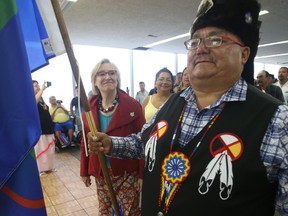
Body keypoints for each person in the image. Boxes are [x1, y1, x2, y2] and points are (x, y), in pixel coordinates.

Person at [87, 0, 288, 215]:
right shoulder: (175, 101)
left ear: (244, 54)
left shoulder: (276, 119)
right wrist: (111, 144)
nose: (200, 48)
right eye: (194, 42)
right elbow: (144, 143)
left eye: (215, 39)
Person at [80, 58, 145, 215]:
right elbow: (84, 141)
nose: (107, 77)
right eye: (101, 74)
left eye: (112, 73)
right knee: (106, 211)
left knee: (129, 211)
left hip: (127, 173)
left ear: (117, 79)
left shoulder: (132, 105)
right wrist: (84, 170)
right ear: (95, 81)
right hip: (102, 172)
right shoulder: (88, 108)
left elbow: (144, 141)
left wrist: (142, 175)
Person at [33, 80, 56, 176]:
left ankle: (49, 167)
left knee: (50, 149)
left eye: (38, 85)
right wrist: (42, 89)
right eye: (35, 86)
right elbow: (34, 101)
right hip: (40, 128)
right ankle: (40, 170)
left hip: (48, 127)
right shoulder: (31, 97)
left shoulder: (41, 98)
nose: (38, 87)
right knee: (41, 149)